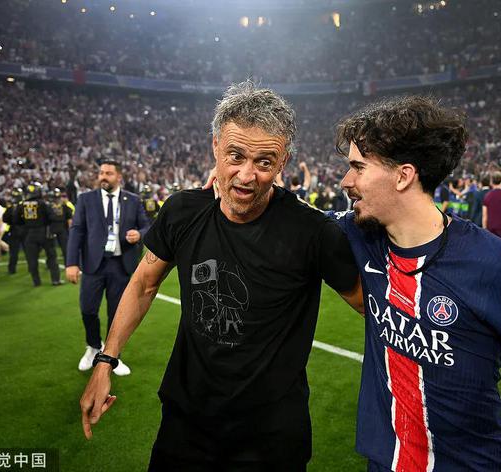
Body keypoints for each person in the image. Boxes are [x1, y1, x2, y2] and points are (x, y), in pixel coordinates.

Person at [78, 82, 362, 470]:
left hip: (270, 438)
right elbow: (144, 284)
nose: (246, 175)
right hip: (185, 425)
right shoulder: (182, 211)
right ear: (215, 147)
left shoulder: (313, 232)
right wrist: (106, 361)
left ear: (283, 162)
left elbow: (371, 309)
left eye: (264, 162)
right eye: (235, 156)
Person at [330, 95, 501, 471]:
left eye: (358, 167)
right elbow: (287, 214)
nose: (346, 181)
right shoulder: (356, 234)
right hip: (386, 463)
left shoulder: (496, 265)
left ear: (403, 176)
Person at [66, 160, 151, 376]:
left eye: (109, 173)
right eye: (101, 173)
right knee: (88, 309)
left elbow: (147, 226)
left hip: (121, 265)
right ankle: (93, 346)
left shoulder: (133, 200)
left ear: (119, 177)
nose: (103, 176)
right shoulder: (86, 199)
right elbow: (77, 231)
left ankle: (113, 355)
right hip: (93, 264)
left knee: (117, 313)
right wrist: (71, 263)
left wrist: (139, 234)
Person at [16, 182, 61, 287]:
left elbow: (16, 220)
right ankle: (55, 280)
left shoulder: (22, 205)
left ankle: (36, 282)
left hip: (29, 234)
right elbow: (53, 217)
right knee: (52, 257)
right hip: (44, 232)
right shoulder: (43, 204)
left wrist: (26, 225)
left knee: (32, 259)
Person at [3, 187, 25, 275]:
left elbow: (5, 219)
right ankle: (32, 268)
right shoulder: (25, 206)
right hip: (23, 230)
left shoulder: (11, 207)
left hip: (15, 230)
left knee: (14, 252)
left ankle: (11, 269)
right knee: (28, 252)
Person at [47, 187, 73, 262]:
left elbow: (69, 218)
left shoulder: (50, 206)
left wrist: (70, 230)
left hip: (59, 228)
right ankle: (53, 264)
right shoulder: (49, 206)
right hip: (55, 228)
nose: (56, 199)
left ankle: (67, 263)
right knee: (52, 250)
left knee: (64, 249)